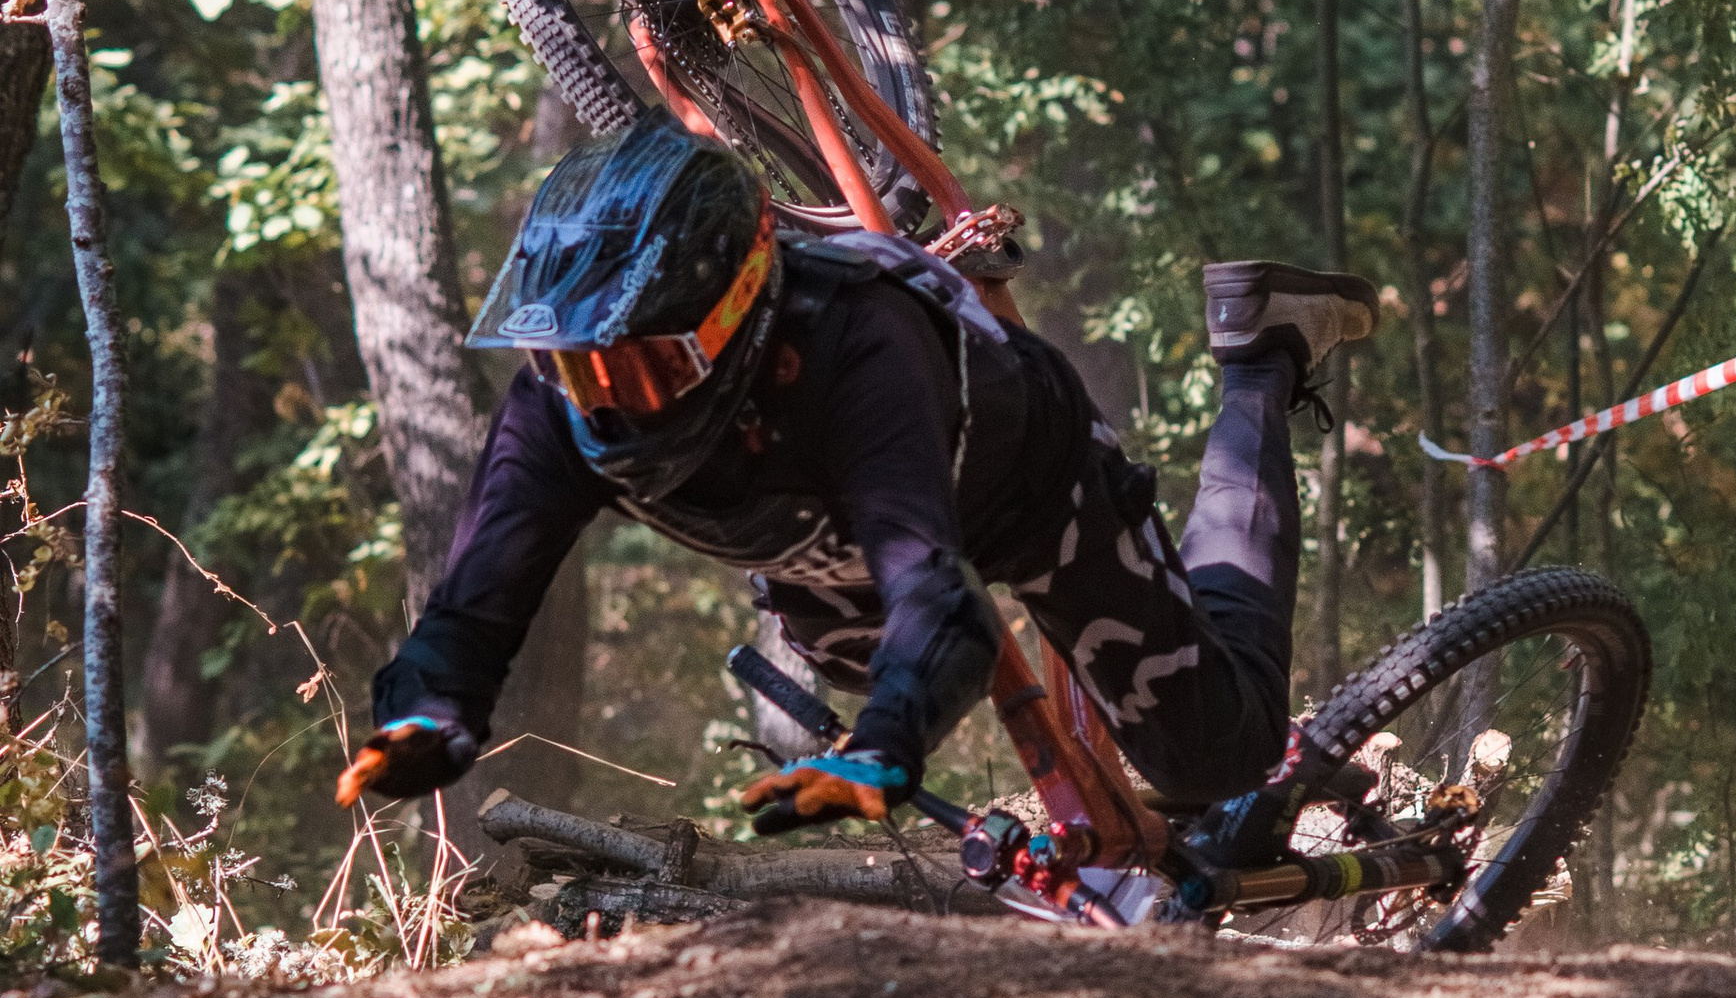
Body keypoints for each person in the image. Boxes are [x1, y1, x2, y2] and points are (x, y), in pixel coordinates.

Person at [337, 111, 1378, 836]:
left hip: (1029, 486)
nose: (599, 401)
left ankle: (1259, 359)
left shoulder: (857, 352)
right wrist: (430, 711)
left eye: (638, 370)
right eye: (570, 364)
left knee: (1213, 760)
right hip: (829, 544)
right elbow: (473, 605)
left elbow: (940, 599)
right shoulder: (557, 402)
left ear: (734, 319)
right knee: (847, 665)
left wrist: (886, 745)